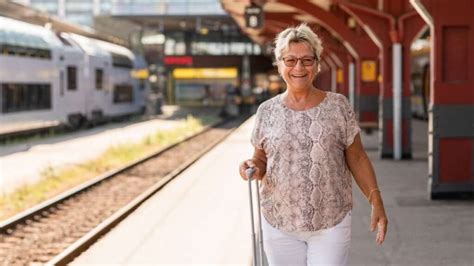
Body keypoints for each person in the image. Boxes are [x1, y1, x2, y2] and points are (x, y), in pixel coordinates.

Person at [238, 24, 388, 266]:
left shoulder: (338, 106)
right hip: (279, 221)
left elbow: (357, 158)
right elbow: (262, 158)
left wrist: (376, 200)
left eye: (307, 60)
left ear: (317, 64)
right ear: (279, 64)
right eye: (291, 60)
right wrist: (251, 165)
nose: (299, 67)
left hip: (331, 220)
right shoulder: (266, 111)